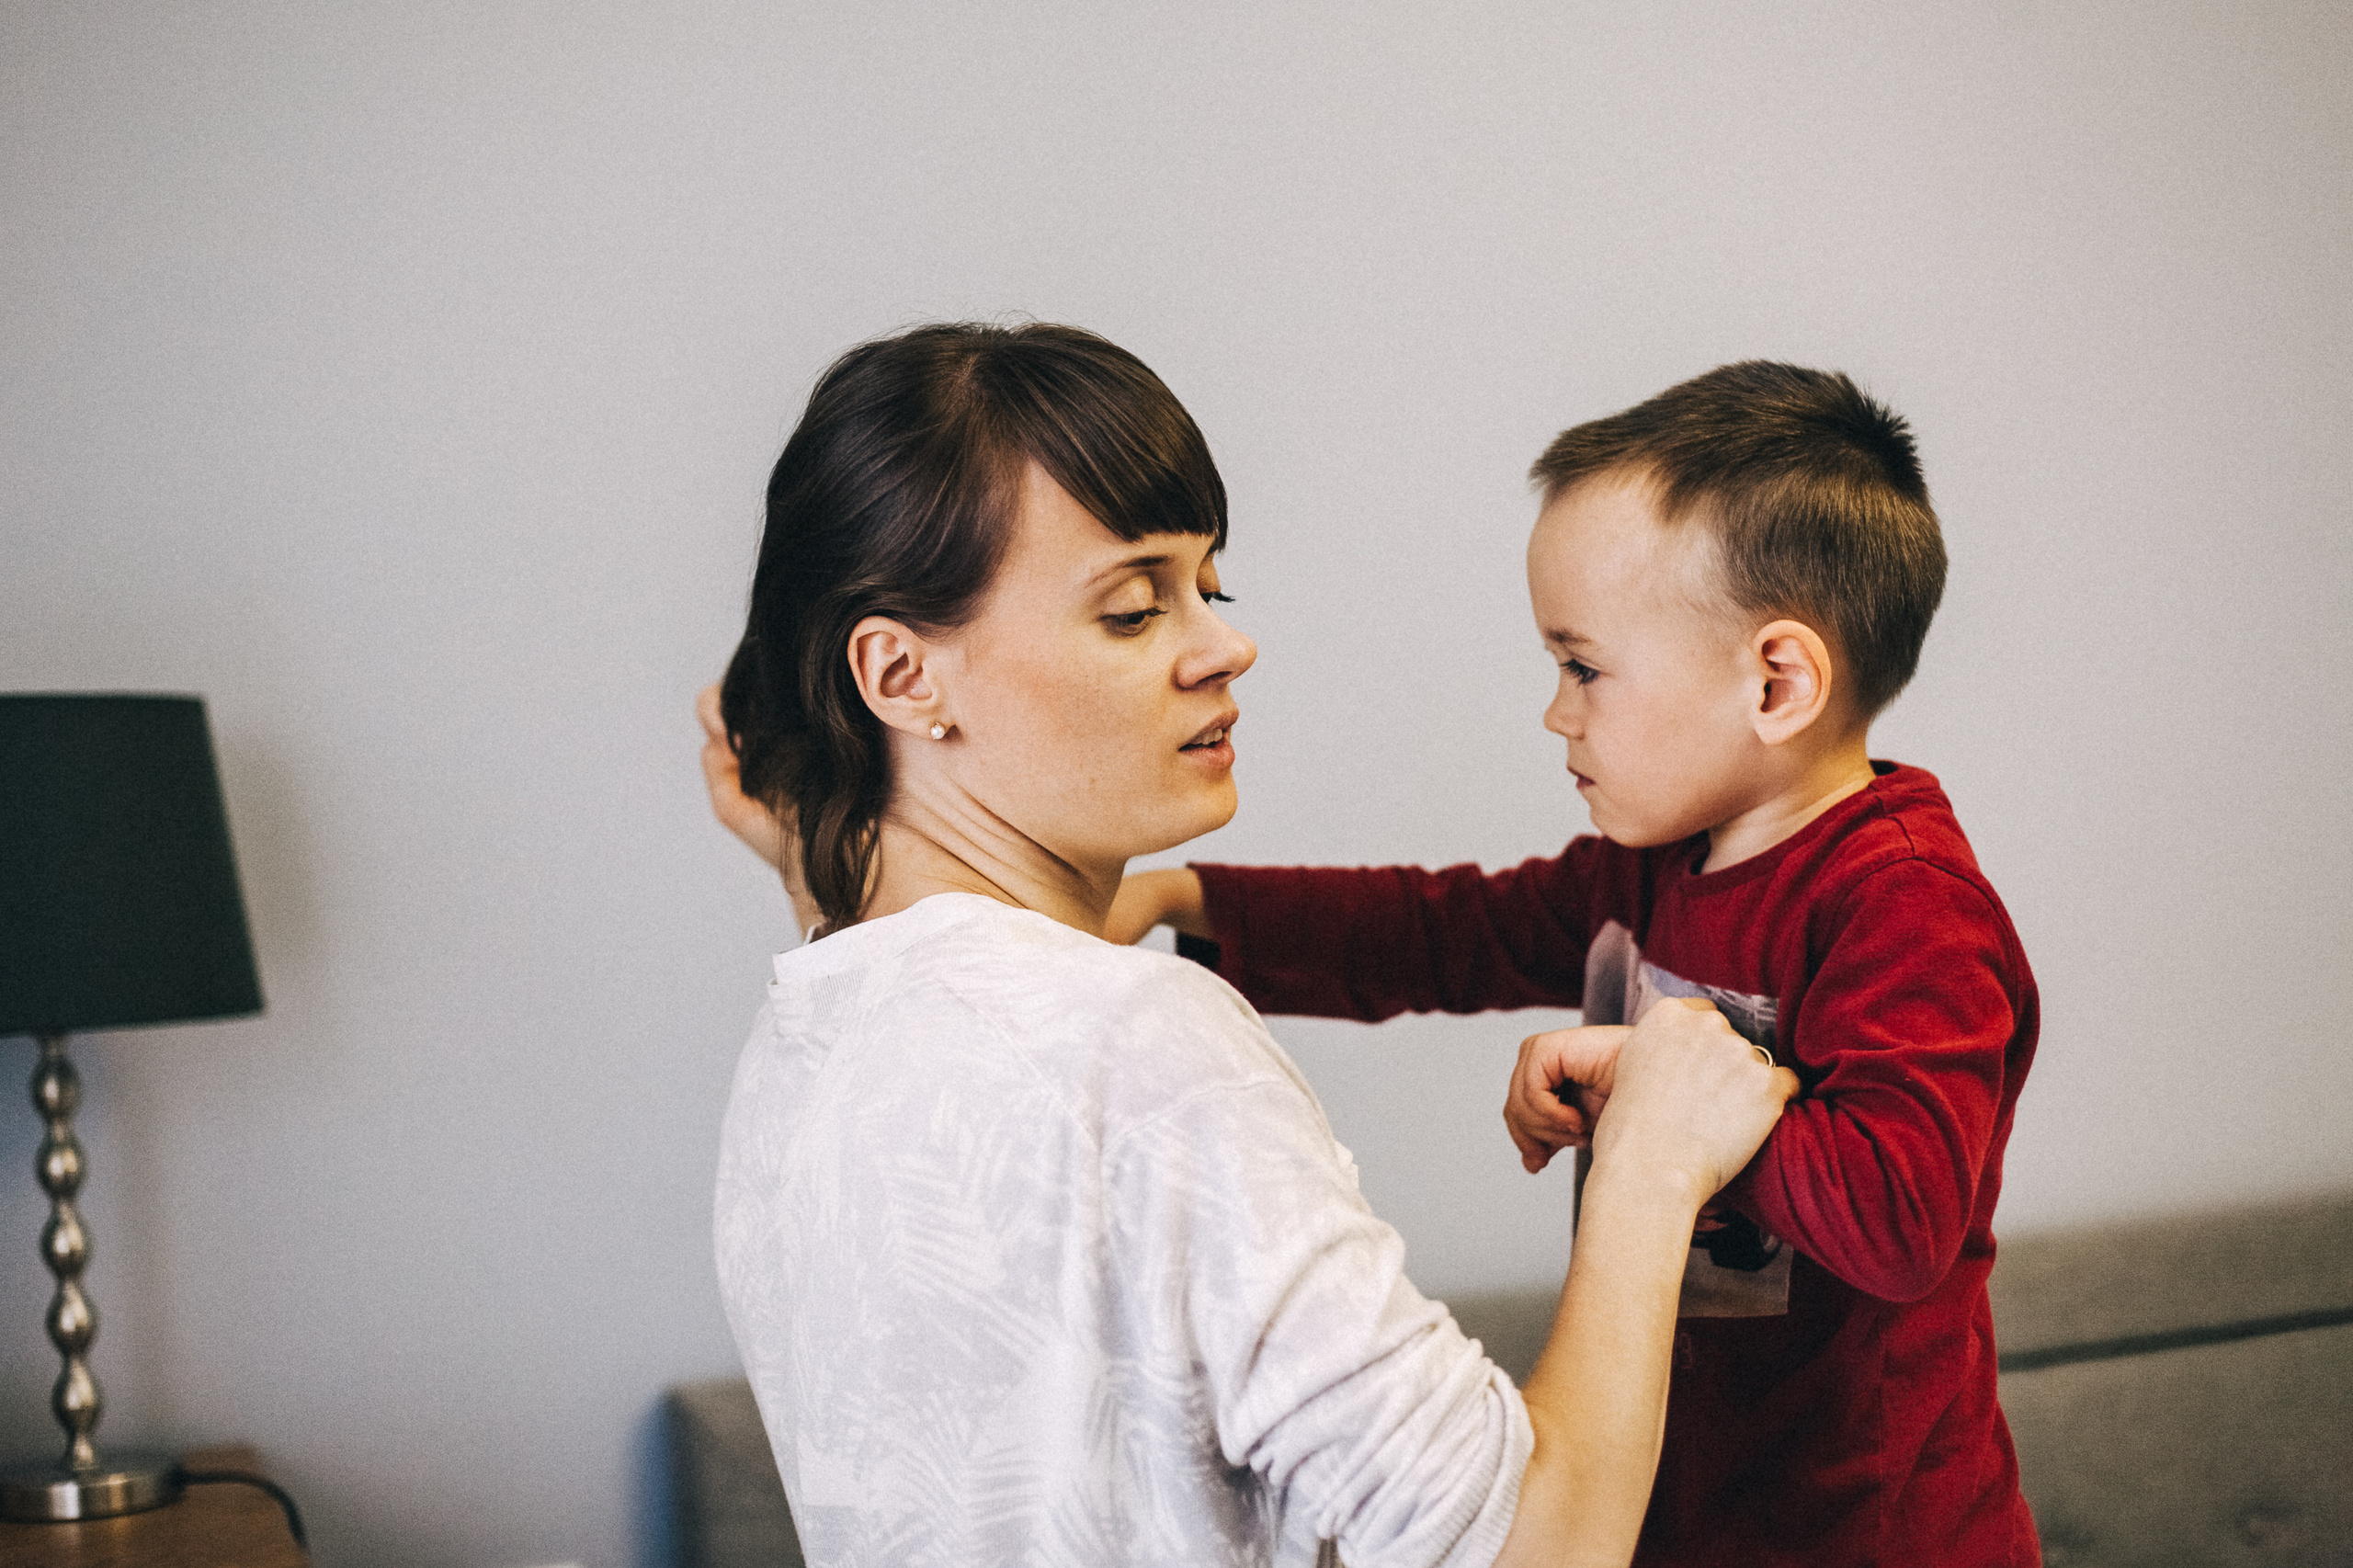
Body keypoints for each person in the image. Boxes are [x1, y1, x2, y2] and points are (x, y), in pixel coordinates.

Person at [704, 322, 1797, 1568]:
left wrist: (827, 843)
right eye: (1130, 608)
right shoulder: (1133, 1042)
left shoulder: (807, 1042)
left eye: (1206, 589)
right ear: (902, 675)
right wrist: (1651, 1165)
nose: (1227, 644)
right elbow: (1533, 1550)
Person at [1112, 363, 2043, 1566]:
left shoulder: (1904, 904)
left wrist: (1663, 1092)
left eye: (1583, 666)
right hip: (1682, 1512)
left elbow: (1902, 1213)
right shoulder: (1647, 870)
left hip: (1877, 1539)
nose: (1558, 713)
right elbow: (1438, 930)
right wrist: (1179, 894)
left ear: (1776, 682)